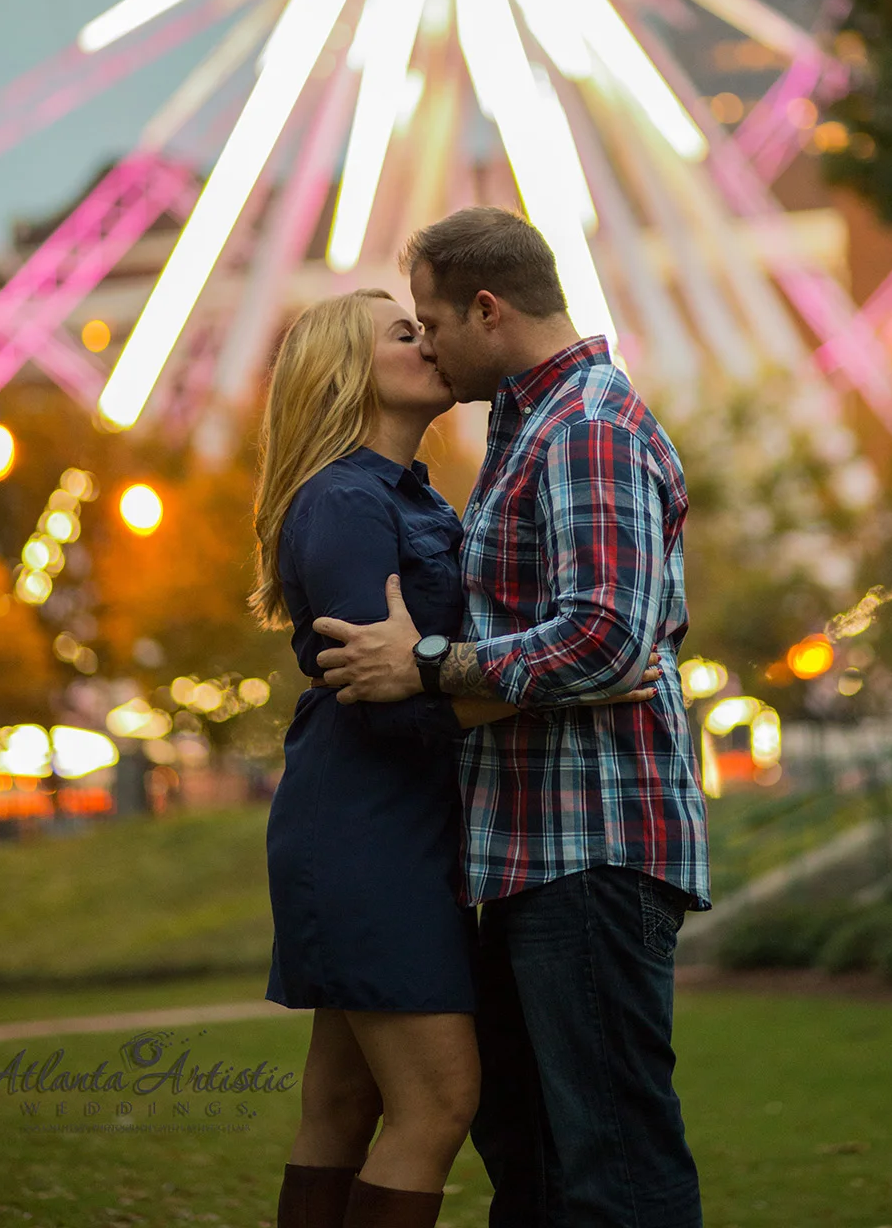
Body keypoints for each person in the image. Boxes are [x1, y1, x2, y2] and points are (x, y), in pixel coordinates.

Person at [315, 208, 712, 1228]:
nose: (428, 345)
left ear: (488, 310)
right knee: (534, 1165)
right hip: (537, 854)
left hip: (592, 848)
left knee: (614, 1165)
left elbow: (605, 638)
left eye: (433, 322)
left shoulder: (585, 428)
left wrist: (427, 665)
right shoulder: (533, 427)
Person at [252, 288, 660, 1228]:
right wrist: (572, 684)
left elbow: (423, 668)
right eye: (406, 333)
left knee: (343, 1103)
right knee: (438, 1102)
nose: (430, 341)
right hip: (367, 827)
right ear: (347, 375)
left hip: (416, 822)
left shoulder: (419, 496)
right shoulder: (344, 503)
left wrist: (471, 672)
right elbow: (388, 702)